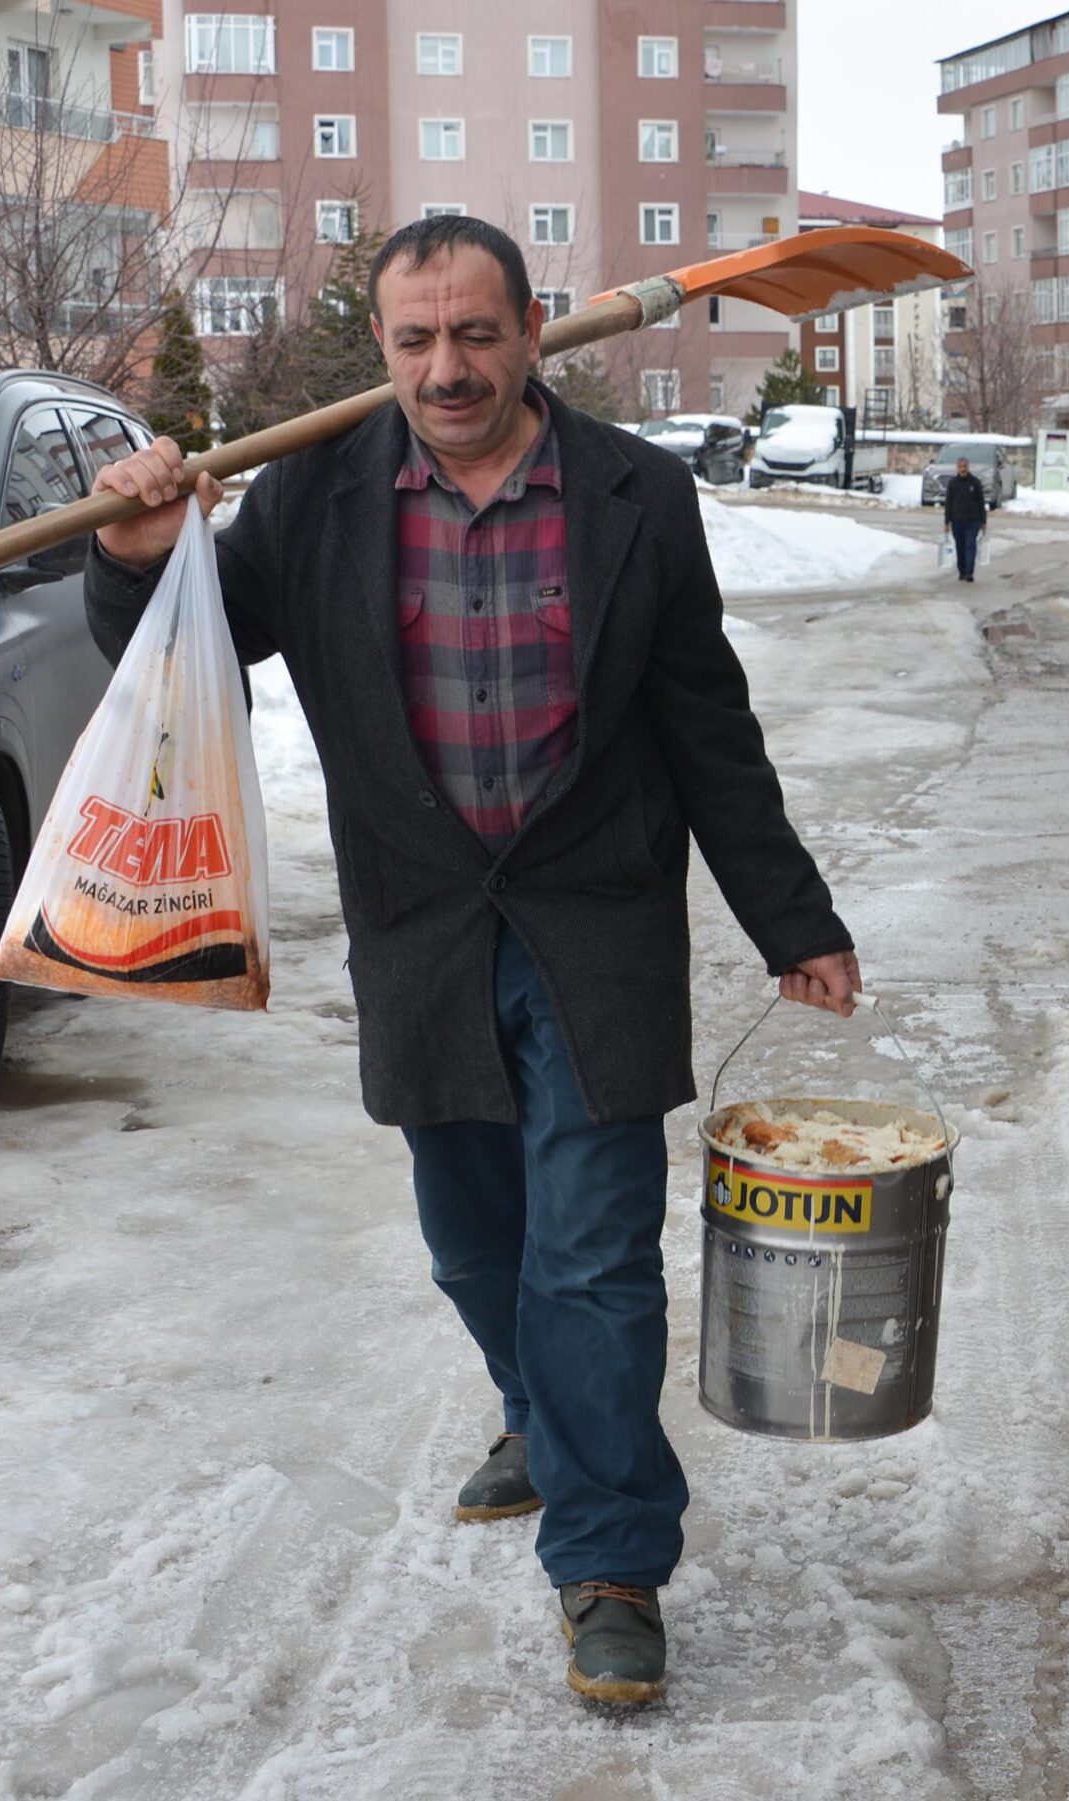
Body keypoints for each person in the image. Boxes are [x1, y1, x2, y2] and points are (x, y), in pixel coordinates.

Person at [84, 215, 862, 1709]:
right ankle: (540, 1410)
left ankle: (611, 1558)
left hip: (597, 926)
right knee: (475, 1244)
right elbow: (189, 646)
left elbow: (707, 721)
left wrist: (793, 918)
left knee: (594, 1258)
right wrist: (136, 557)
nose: (449, 369)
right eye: (416, 339)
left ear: (535, 330)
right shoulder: (317, 494)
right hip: (425, 932)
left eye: (478, 334)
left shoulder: (636, 494)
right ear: (381, 346)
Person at [942, 454, 987, 581]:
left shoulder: (975, 482)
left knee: (970, 545)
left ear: (968, 467)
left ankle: (969, 572)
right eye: (960, 467)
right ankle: (961, 571)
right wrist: (946, 522)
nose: (963, 469)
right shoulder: (953, 483)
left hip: (973, 521)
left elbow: (981, 502)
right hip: (957, 521)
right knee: (960, 546)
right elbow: (948, 503)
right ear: (957, 468)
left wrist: (983, 521)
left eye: (965, 466)